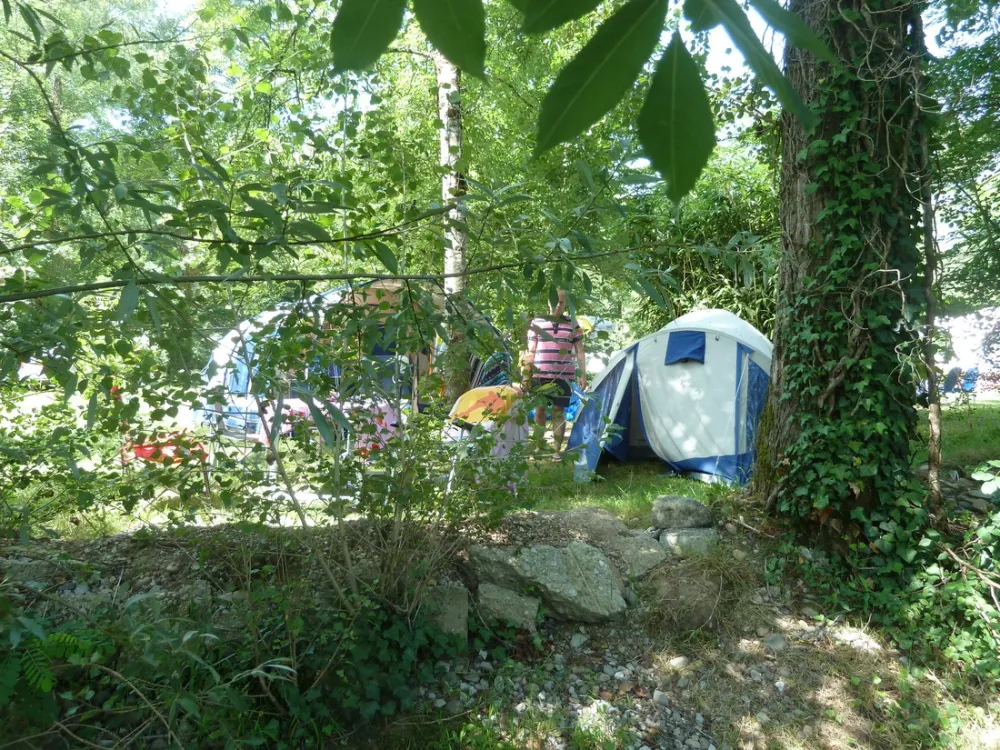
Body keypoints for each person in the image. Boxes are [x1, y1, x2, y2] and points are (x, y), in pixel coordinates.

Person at [522, 290, 586, 461]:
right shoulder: (537, 322)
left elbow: (580, 351)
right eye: (555, 301)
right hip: (539, 374)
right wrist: (526, 375)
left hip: (564, 375)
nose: (558, 305)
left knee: (559, 411)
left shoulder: (573, 323)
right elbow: (530, 351)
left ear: (566, 305)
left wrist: (583, 374)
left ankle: (556, 451)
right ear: (548, 301)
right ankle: (537, 446)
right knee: (540, 410)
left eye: (562, 302)